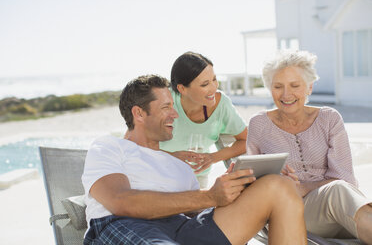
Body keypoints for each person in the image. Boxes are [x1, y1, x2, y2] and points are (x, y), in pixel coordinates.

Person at [82, 74, 307, 245]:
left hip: (185, 230)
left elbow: (199, 211)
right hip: (127, 225)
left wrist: (234, 190)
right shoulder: (109, 147)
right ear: (139, 114)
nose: (175, 114)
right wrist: (208, 196)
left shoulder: (180, 165)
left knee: (279, 186)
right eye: (165, 107)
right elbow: (121, 202)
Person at [247, 49, 372, 243]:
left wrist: (304, 187)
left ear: (309, 87)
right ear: (269, 88)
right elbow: (251, 182)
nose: (286, 94)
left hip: (339, 211)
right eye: (278, 86)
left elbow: (345, 178)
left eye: (295, 85)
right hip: (288, 213)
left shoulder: (329, 118)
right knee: (339, 190)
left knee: (340, 190)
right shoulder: (259, 124)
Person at [160, 52, 248, 189]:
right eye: (205, 84)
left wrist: (212, 157)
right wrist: (171, 157)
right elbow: (134, 144)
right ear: (182, 88)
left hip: (196, 180)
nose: (214, 88)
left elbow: (246, 140)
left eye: (214, 79)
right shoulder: (163, 101)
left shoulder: (221, 104)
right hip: (158, 176)